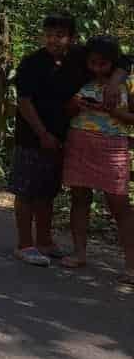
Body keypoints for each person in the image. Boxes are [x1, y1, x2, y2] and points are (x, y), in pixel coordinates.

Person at [10, 15, 128, 267]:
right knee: (26, 190)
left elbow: (122, 59)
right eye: (49, 34)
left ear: (72, 38)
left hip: (65, 137)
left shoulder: (78, 59)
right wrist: (42, 133)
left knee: (47, 191)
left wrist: (115, 82)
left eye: (60, 34)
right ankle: (24, 244)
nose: (53, 39)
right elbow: (24, 102)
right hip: (33, 136)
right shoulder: (32, 63)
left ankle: (44, 241)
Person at [59, 37, 134, 283]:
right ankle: (79, 252)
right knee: (80, 198)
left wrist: (115, 112)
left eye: (103, 63)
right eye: (93, 63)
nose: (97, 67)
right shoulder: (82, 80)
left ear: (113, 63)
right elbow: (67, 112)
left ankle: (131, 264)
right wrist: (74, 104)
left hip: (112, 146)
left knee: (119, 204)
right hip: (80, 143)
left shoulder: (128, 84)